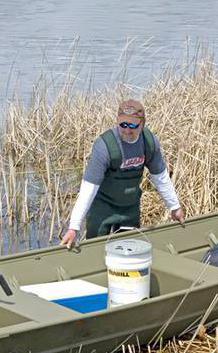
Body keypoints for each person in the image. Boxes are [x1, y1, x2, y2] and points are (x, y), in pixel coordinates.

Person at [61, 99, 185, 248]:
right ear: (117, 121)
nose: (127, 130)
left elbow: (160, 177)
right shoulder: (104, 146)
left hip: (129, 207)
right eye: (123, 124)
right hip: (102, 207)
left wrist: (175, 207)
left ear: (142, 123)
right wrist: (74, 227)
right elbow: (88, 189)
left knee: (129, 249)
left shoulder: (149, 143)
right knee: (96, 249)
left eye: (132, 125)